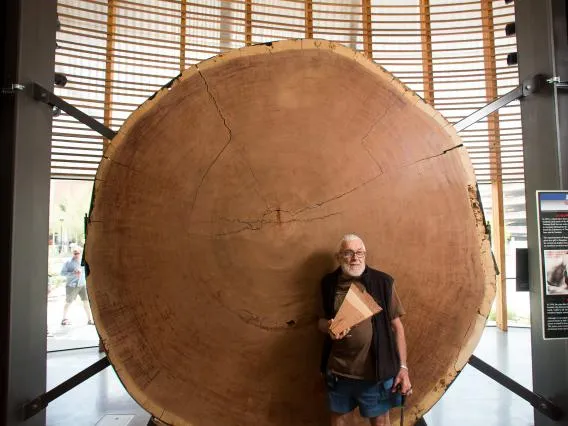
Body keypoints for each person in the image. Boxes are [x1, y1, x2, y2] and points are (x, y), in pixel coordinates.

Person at [318, 234, 411, 426]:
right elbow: (319, 321)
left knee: (380, 423)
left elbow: (397, 328)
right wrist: (327, 327)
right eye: (349, 253)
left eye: (360, 252)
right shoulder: (328, 284)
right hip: (339, 373)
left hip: (375, 375)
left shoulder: (383, 282)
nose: (355, 258)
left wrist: (403, 369)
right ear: (338, 257)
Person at [60, 245, 94, 326]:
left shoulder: (84, 262)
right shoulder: (68, 262)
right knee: (68, 302)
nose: (76, 255)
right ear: (72, 253)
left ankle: (90, 319)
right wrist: (73, 273)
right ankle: (64, 318)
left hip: (82, 285)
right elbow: (62, 273)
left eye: (78, 253)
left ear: (81, 253)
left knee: (86, 302)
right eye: (74, 253)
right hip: (71, 286)